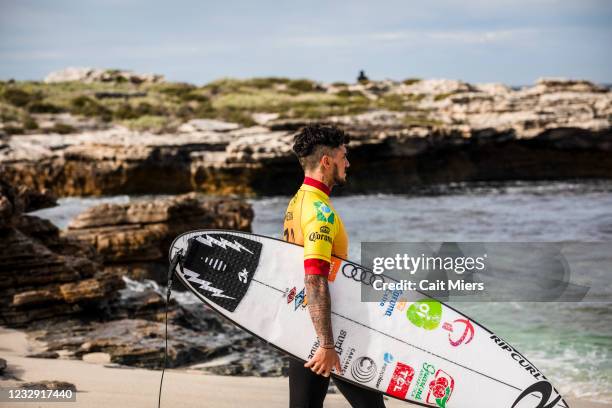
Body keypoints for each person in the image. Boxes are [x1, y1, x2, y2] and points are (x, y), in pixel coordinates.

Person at [283, 124, 385, 408]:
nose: (348, 163)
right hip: (330, 332)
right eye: (344, 156)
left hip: (303, 327)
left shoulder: (296, 202)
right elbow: (314, 278)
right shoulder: (320, 214)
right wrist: (328, 345)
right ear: (326, 162)